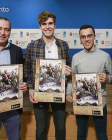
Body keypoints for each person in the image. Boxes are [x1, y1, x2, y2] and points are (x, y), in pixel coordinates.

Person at [24, 11, 71, 140]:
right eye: (44, 24)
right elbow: (27, 69)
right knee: (40, 127)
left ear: (55, 25)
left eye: (50, 23)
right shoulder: (32, 46)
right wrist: (31, 88)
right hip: (39, 93)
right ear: (40, 26)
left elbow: (68, 67)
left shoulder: (63, 45)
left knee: (60, 126)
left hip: (58, 92)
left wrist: (67, 73)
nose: (47, 27)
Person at [66, 25, 112, 140]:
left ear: (94, 36)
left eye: (89, 36)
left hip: (100, 102)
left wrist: (108, 79)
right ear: (80, 40)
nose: (86, 39)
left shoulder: (105, 56)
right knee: (81, 133)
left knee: (101, 134)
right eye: (83, 37)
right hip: (81, 102)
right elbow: (73, 79)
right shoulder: (76, 57)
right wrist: (68, 92)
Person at [0, 17, 27, 140]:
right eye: (0, 29)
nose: (3, 33)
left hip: (12, 107)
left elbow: (21, 77)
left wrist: (23, 85)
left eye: (6, 29)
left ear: (10, 31)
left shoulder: (17, 51)